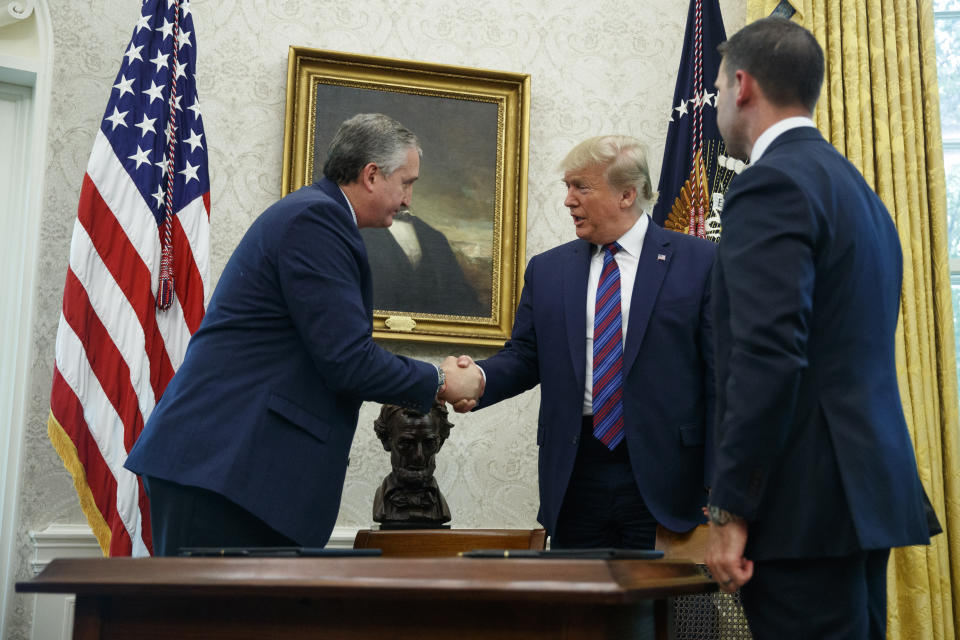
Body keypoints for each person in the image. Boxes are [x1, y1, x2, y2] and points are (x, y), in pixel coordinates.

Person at [124, 113, 484, 556]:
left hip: (238, 476)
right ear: (371, 175)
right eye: (406, 183)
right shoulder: (317, 219)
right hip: (225, 473)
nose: (409, 200)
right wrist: (442, 381)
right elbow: (348, 361)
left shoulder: (318, 215)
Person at [704, 18, 933, 639]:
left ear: (743, 85)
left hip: (803, 507)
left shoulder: (770, 184)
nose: (718, 102)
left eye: (720, 87)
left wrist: (731, 505)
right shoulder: (856, 189)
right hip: (861, 496)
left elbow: (767, 355)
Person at [457, 135, 716, 549]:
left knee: (663, 610)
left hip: (666, 478)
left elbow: (721, 377)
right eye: (567, 187)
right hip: (576, 471)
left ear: (627, 195)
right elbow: (525, 357)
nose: (568, 200)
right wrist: (480, 379)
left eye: (581, 187)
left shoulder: (700, 262)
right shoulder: (548, 270)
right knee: (574, 611)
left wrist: (720, 485)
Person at [361, 210, 485, 317]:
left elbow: (462, 296)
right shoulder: (357, 232)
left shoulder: (434, 237)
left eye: (407, 184)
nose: (406, 195)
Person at [372, 401, 454, 526]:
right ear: (386, 441)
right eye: (406, 443)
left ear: (440, 443)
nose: (419, 456)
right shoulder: (381, 503)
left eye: (429, 443)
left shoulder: (440, 506)